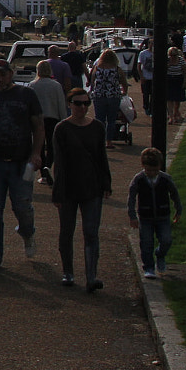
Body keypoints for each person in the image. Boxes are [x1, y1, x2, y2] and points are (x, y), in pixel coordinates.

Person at [0, 61, 44, 269]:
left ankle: (27, 232)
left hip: (20, 162)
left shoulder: (27, 95)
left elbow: (39, 126)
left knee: (22, 206)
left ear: (11, 74)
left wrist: (36, 153)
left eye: (3, 74)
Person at [52, 88, 112, 292]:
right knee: (66, 231)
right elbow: (58, 163)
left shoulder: (97, 127)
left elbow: (101, 157)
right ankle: (68, 272)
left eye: (86, 103)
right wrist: (57, 192)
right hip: (68, 188)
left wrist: (106, 183)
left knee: (91, 232)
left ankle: (91, 276)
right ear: (70, 104)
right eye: (78, 103)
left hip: (92, 186)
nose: (82, 107)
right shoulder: (62, 129)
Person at [127, 148, 182, 278]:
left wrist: (178, 209)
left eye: (155, 170)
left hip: (163, 215)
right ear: (143, 166)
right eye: (148, 170)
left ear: (160, 167)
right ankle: (149, 267)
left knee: (166, 239)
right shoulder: (139, 179)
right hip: (145, 217)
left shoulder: (165, 179)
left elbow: (174, 194)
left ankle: (160, 255)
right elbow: (131, 197)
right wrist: (132, 216)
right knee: (146, 243)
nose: (152, 173)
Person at [27, 60, 68, 186]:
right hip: (53, 118)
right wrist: (64, 120)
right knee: (52, 145)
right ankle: (49, 167)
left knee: (38, 146)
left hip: (37, 120)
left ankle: (43, 173)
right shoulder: (56, 85)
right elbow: (61, 104)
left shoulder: (32, 85)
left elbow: (28, 105)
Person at [88, 48, 128, 149]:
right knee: (111, 119)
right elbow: (124, 82)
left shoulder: (97, 68)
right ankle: (109, 141)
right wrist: (124, 92)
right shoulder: (117, 69)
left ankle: (99, 140)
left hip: (99, 95)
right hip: (113, 96)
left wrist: (94, 90)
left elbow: (92, 81)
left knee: (99, 119)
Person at [164, 45, 186, 123]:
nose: (173, 57)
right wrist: (168, 65)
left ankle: (175, 113)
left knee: (177, 99)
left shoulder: (181, 60)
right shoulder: (167, 60)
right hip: (169, 79)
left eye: (174, 55)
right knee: (169, 99)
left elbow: (184, 71)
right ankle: (171, 116)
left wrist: (184, 82)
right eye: (171, 55)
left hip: (178, 79)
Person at [136, 39, 154, 117]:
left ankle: (151, 109)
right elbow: (139, 65)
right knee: (146, 94)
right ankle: (146, 107)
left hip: (153, 78)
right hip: (146, 77)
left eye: (153, 43)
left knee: (153, 95)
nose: (152, 45)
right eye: (150, 43)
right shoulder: (143, 53)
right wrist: (141, 76)